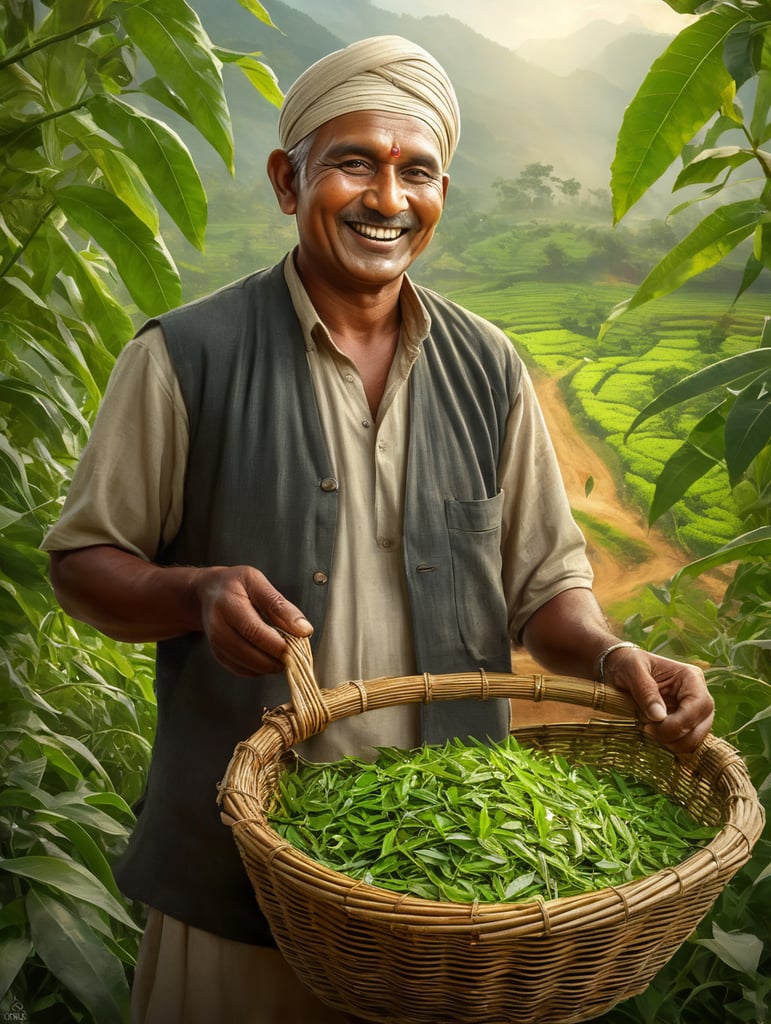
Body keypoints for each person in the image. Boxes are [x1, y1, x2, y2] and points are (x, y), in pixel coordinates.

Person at [43, 34, 715, 1024]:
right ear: (288, 179)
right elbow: (83, 565)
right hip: (244, 877)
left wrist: (615, 657)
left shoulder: (488, 367)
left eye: (418, 171)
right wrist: (195, 591)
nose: (387, 199)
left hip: (454, 895)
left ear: (442, 194)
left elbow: (543, 591)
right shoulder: (186, 357)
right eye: (353, 162)